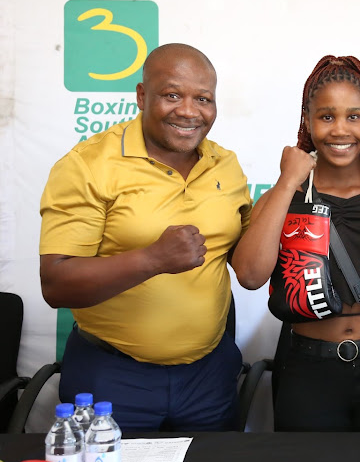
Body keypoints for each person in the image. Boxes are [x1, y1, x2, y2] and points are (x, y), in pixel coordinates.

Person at [39, 43, 252, 432]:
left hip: (208, 376)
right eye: (172, 95)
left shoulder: (227, 164)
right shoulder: (87, 165)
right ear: (141, 95)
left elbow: (249, 262)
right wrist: (152, 259)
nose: (189, 111)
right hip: (111, 378)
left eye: (203, 98)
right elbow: (56, 283)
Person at [232, 55, 360, 432]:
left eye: (353, 116)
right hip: (307, 373)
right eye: (326, 117)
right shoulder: (284, 196)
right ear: (308, 122)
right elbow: (249, 274)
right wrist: (286, 182)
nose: (340, 130)